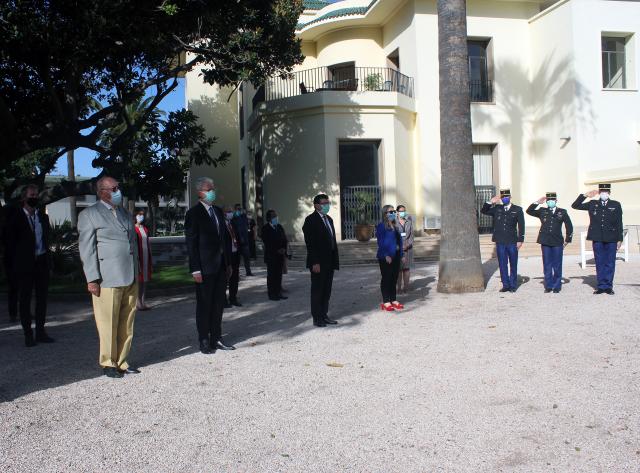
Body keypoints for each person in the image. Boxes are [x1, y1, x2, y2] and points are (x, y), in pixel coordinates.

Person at [78, 176, 139, 378]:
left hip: (129, 275)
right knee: (107, 323)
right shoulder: (89, 214)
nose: (117, 191)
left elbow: (132, 244)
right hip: (107, 277)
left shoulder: (123, 212)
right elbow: (87, 249)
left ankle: (122, 360)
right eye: (114, 188)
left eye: (118, 187)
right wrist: (92, 278)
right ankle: (108, 362)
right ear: (102, 191)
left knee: (126, 322)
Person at [184, 177, 235, 354]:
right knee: (204, 304)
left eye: (213, 188)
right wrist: (195, 268)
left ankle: (216, 337)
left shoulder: (218, 212)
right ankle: (204, 339)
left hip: (220, 265)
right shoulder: (193, 214)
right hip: (204, 268)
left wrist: (228, 263)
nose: (212, 191)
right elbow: (191, 243)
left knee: (219, 303)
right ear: (200, 193)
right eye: (209, 189)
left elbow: (224, 239)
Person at [4, 184, 53, 346]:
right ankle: (28, 334)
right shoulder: (16, 217)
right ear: (24, 198)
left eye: (36, 195)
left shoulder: (42, 217)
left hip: (41, 261)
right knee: (24, 299)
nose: (35, 198)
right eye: (32, 195)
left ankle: (41, 331)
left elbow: (46, 238)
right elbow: (9, 242)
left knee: (42, 299)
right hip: (24, 264)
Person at [571, 183, 623, 295]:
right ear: (599, 193)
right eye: (602, 192)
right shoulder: (592, 203)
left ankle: (608, 286)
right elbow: (575, 205)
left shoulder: (616, 204)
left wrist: (620, 239)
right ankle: (601, 286)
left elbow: (619, 223)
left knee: (610, 262)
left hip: (611, 238)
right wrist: (585, 195)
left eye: (606, 192)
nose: (604, 194)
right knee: (599, 262)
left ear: (609, 193)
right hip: (597, 237)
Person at [302, 194, 339, 327]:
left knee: (327, 290)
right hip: (318, 262)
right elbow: (310, 244)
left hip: (329, 261)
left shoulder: (329, 219)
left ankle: (324, 314)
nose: (326, 205)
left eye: (327, 203)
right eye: (324, 203)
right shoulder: (310, 220)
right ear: (316, 205)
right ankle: (317, 317)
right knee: (318, 290)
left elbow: (332, 240)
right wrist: (315, 262)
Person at [526, 192, 573, 293]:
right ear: (546, 202)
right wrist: (537, 202)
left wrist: (567, 240)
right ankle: (548, 285)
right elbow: (529, 211)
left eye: (552, 200)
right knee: (547, 264)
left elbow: (569, 225)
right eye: (548, 200)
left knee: (557, 264)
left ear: (556, 201)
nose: (550, 202)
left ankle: (557, 285)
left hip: (557, 241)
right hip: (545, 240)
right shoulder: (542, 211)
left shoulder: (562, 212)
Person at [481, 189, 525, 293]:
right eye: (503, 197)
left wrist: (520, 240)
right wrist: (490, 202)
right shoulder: (497, 208)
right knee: (502, 263)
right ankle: (505, 285)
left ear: (510, 197)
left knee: (513, 263)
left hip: (512, 241)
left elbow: (521, 226)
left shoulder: (517, 209)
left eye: (506, 197)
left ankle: (513, 285)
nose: (505, 199)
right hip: (500, 241)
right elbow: (484, 211)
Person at [377, 205, 405, 311]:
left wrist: (402, 254)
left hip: (396, 256)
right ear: (385, 214)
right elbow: (380, 242)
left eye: (394, 211)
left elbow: (399, 242)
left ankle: (393, 299)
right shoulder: (381, 226)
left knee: (394, 278)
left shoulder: (395, 226)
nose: (393, 213)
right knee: (386, 278)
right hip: (386, 257)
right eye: (390, 212)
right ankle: (386, 301)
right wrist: (385, 255)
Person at [262, 209, 289, 301]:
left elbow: (284, 239)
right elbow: (267, 242)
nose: (276, 218)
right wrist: (277, 250)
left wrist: (283, 249)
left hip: (280, 255)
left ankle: (278, 292)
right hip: (271, 256)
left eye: (276, 216)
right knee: (271, 275)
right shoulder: (265, 228)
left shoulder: (279, 227)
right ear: (269, 218)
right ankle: (272, 294)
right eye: (273, 216)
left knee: (278, 275)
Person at [2, 203, 19, 323]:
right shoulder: (8, 227)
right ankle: (14, 313)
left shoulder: (5, 227)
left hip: (11, 259)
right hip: (13, 259)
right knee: (17, 287)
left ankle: (13, 313)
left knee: (13, 288)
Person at [134, 210, 153, 310]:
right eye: (139, 215)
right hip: (139, 256)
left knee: (145, 279)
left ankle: (143, 301)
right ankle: (138, 302)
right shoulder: (134, 228)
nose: (141, 217)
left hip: (146, 256)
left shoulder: (145, 229)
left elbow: (148, 242)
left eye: (142, 215)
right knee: (139, 279)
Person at [224, 205, 242, 307]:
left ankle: (233, 298)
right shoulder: (222, 225)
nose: (231, 213)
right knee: (225, 278)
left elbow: (237, 237)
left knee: (234, 278)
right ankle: (223, 300)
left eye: (231, 211)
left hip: (235, 253)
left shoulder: (233, 224)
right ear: (223, 213)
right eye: (228, 211)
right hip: (227, 255)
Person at [395, 205, 414, 295]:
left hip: (408, 249)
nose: (403, 212)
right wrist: (398, 246)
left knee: (406, 269)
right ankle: (399, 288)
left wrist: (408, 245)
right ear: (397, 212)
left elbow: (412, 236)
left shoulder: (409, 222)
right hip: (397, 249)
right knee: (398, 270)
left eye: (404, 211)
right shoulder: (394, 223)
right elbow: (393, 236)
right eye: (401, 211)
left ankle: (406, 287)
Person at [232, 204, 253, 276]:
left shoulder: (243, 217)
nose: (239, 210)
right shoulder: (233, 218)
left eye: (240, 209)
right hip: (237, 241)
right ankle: (236, 273)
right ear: (235, 209)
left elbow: (250, 215)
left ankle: (248, 272)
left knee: (247, 257)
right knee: (237, 259)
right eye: (238, 209)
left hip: (245, 241)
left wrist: (245, 211)